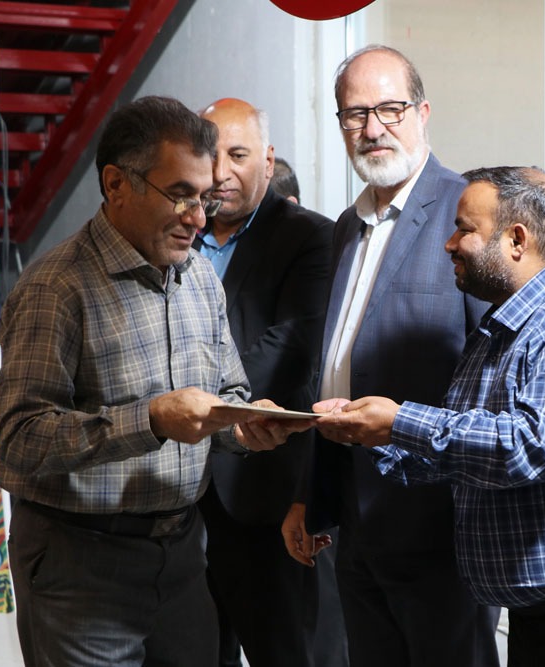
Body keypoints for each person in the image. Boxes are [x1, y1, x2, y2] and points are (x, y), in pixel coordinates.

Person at [313, 166, 545, 667]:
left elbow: (529, 448)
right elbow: (468, 451)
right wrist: (367, 432)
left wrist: (399, 421)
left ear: (516, 239)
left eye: (464, 229)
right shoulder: (503, 326)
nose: (449, 244)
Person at [0, 95, 316, 667]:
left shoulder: (198, 277)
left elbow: (227, 396)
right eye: (181, 195)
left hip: (184, 558)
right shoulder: (56, 288)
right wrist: (150, 420)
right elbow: (20, 443)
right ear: (117, 184)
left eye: (204, 197)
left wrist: (244, 426)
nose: (199, 218)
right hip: (82, 567)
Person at [281, 45, 500, 667]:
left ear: (423, 113)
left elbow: (498, 374)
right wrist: (310, 494)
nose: (373, 128)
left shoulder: (467, 213)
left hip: (440, 526)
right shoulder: (346, 227)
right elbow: (337, 369)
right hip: (356, 520)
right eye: (356, 114)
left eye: (390, 109)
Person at [194, 98, 346, 667]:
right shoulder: (178, 235)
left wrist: (190, 403)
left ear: (268, 158)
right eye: (211, 156)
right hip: (183, 497)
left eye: (238, 155)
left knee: (288, 652)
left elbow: (291, 347)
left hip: (268, 493)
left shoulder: (313, 237)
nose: (221, 172)